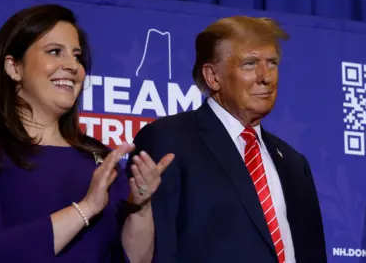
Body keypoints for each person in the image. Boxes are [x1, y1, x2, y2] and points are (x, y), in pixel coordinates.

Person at [0, 4, 174, 263]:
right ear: (13, 68)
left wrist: (140, 207)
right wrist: (85, 208)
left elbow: (136, 260)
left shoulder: (100, 157)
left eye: (76, 56)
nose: (72, 66)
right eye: (55, 52)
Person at [127, 16, 327, 263]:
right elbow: (155, 250)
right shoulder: (170, 140)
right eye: (250, 64)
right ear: (213, 77)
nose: (266, 76)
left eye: (272, 63)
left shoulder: (295, 164)